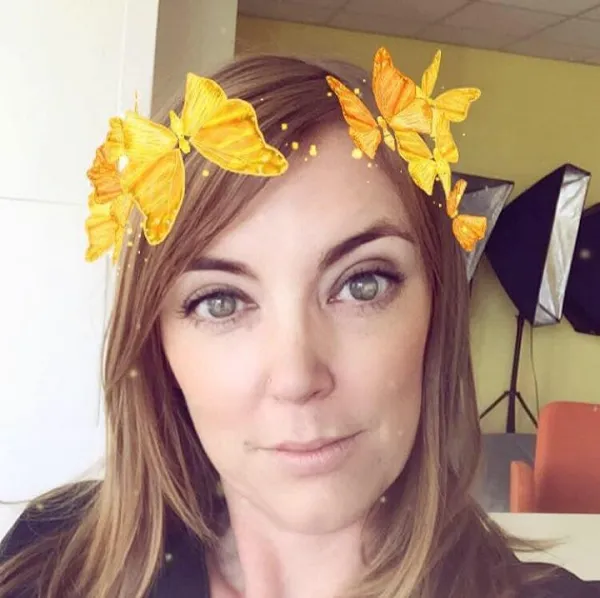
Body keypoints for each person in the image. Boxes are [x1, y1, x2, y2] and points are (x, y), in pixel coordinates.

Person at [0, 51, 597, 598]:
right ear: (158, 346)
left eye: (362, 284)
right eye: (220, 302)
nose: (296, 377)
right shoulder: (48, 568)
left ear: (436, 312)